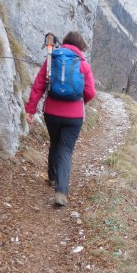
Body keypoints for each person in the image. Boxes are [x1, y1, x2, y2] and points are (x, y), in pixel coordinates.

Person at [25, 31, 96, 206]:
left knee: (55, 143)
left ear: (64, 43)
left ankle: (51, 177)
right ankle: (61, 191)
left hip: (51, 112)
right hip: (74, 116)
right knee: (65, 150)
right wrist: (80, 102)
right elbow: (90, 92)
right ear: (80, 47)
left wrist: (30, 109)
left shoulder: (52, 59)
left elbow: (39, 85)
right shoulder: (82, 64)